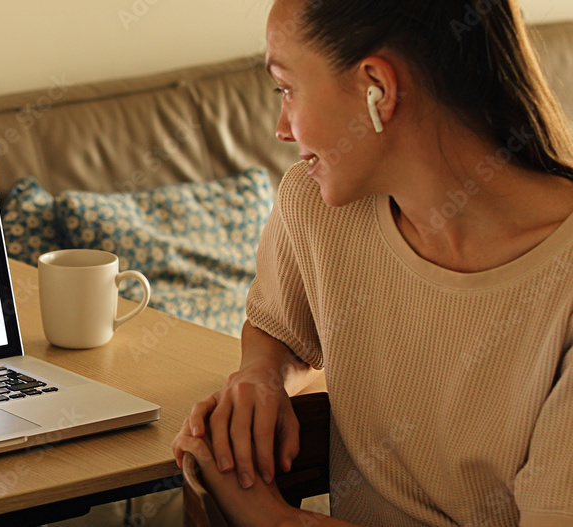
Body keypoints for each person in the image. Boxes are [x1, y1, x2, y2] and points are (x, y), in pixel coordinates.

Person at [171, 0, 573, 525]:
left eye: (287, 89)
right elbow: (280, 331)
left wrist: (271, 518)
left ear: (376, 88)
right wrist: (260, 375)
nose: (281, 128)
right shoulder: (318, 204)